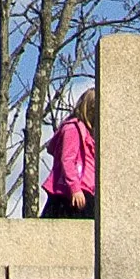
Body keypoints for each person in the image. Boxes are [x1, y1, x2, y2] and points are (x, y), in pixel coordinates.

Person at [42, 90, 97, 219]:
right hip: (70, 194)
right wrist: (75, 188)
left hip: (87, 191)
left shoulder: (89, 134)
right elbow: (67, 160)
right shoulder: (73, 128)